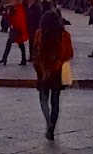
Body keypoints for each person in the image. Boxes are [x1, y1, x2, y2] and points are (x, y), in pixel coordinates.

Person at [32, 8, 74, 140]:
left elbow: (34, 50)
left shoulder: (39, 33)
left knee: (43, 99)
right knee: (55, 101)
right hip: (57, 70)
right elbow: (69, 53)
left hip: (43, 70)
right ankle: (52, 127)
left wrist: (37, 64)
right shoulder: (65, 35)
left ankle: (48, 121)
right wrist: (59, 60)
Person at [0, 0, 29, 65]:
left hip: (17, 30)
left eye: (13, 1)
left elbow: (19, 20)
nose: (12, 2)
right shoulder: (16, 8)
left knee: (9, 43)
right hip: (17, 29)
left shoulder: (19, 9)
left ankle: (4, 59)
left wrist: (13, 25)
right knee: (20, 45)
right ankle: (23, 60)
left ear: (17, 1)